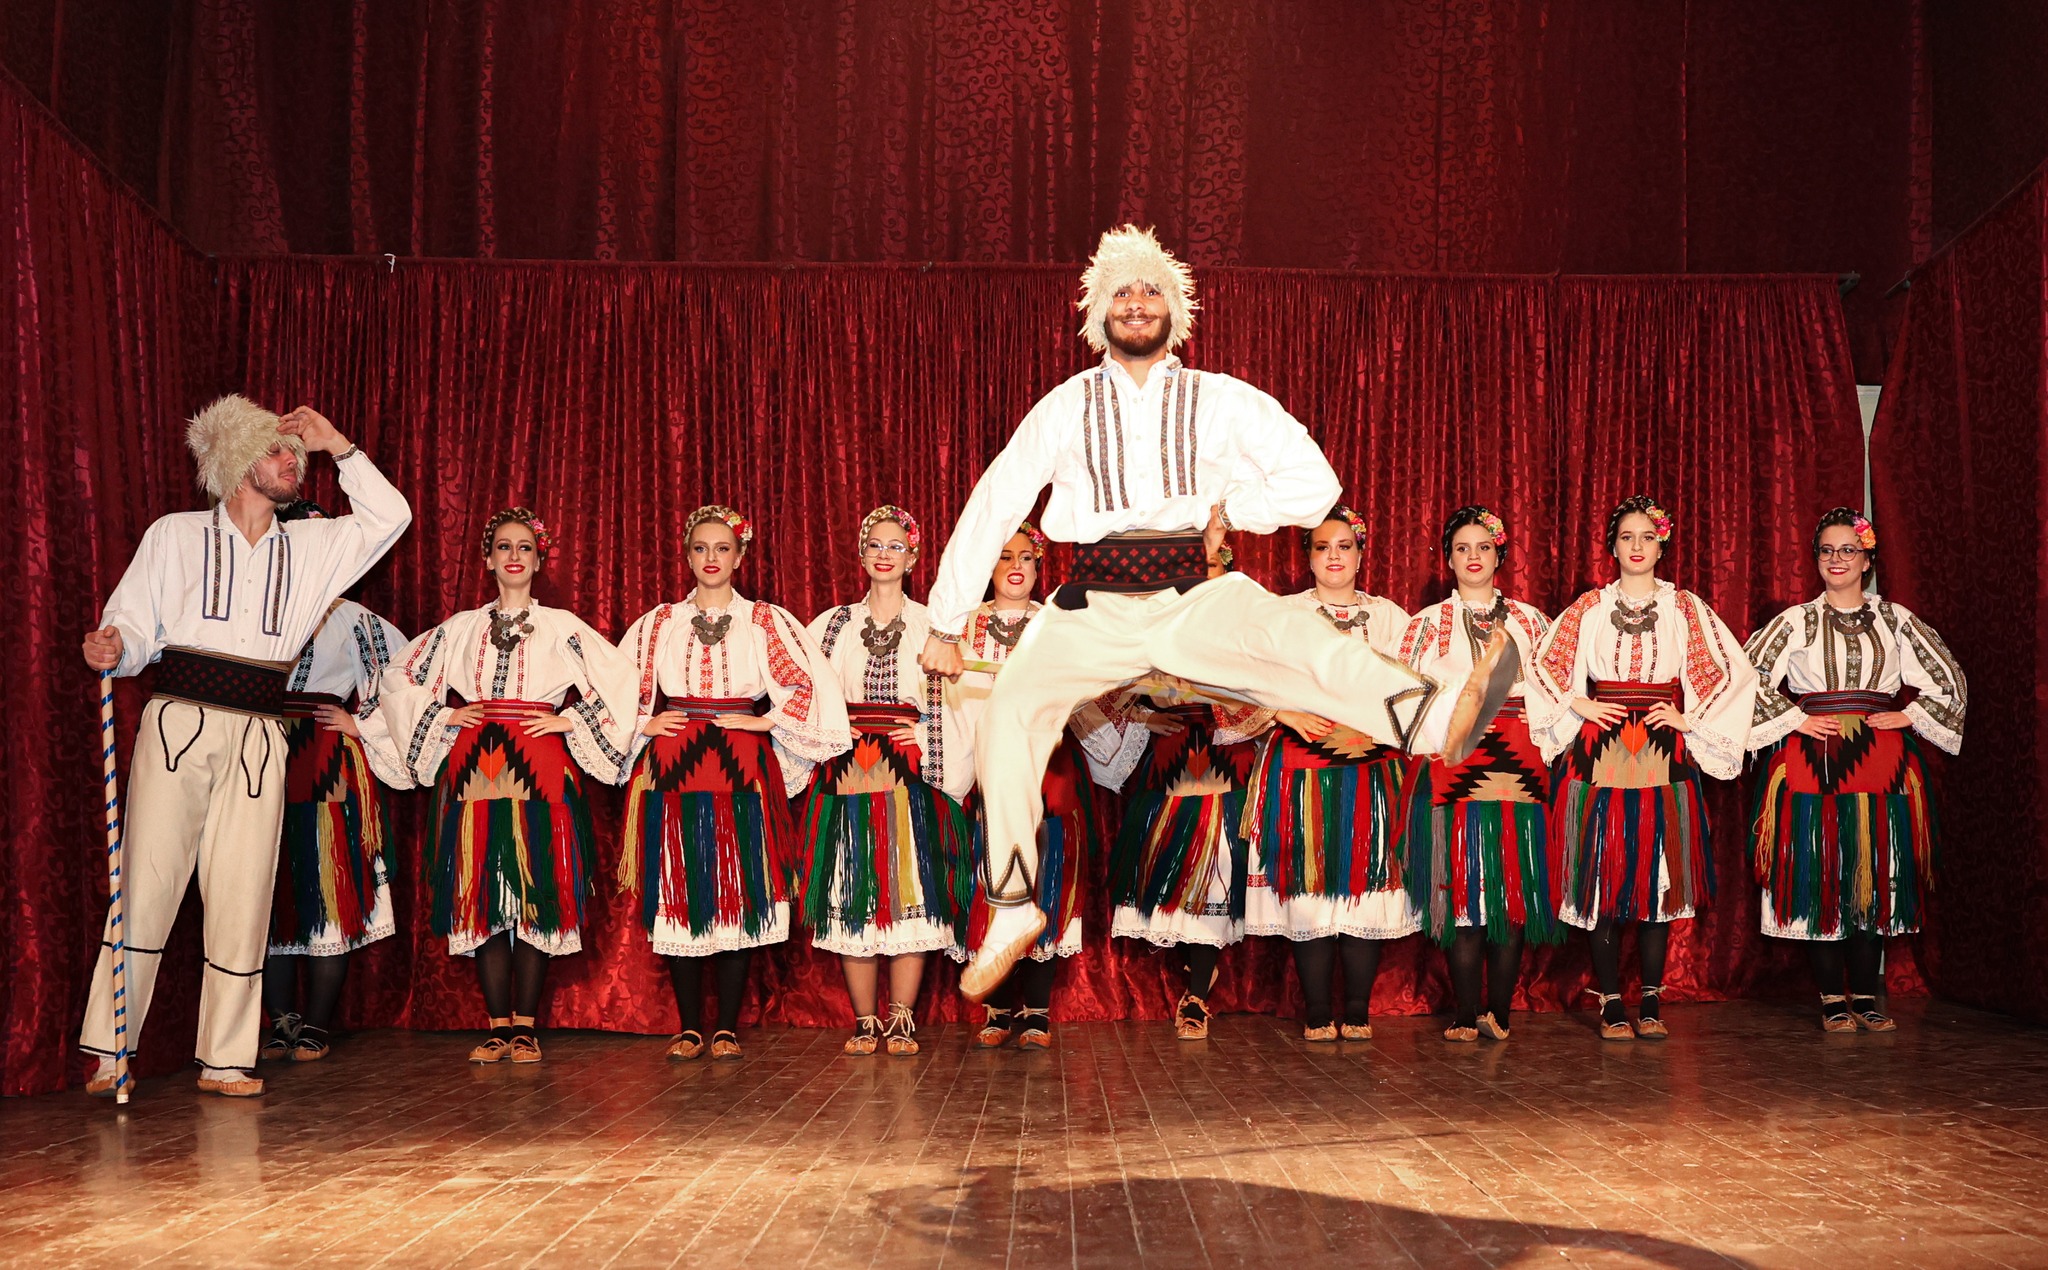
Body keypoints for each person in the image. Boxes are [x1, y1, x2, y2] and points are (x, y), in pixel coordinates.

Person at [917, 225, 1514, 999]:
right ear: (1098, 313)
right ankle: (1011, 907)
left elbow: (1313, 482)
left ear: (1177, 309)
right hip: (1092, 601)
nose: (1136, 303)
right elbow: (997, 497)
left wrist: (1235, 509)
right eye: (1121, 293)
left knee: (1298, 641)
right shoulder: (1065, 406)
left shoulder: (1218, 398)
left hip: (1193, 592)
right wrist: (945, 619)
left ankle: (1434, 720)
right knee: (1011, 708)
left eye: (1151, 290)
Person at [80, 397, 410, 1097]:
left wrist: (337, 444)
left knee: (244, 893)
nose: (293, 462)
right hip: (179, 724)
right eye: (276, 451)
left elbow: (391, 517)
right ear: (233, 460)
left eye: (295, 453)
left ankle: (227, 1059)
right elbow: (132, 625)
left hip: (261, 731)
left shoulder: (314, 548)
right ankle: (111, 1050)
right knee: (148, 882)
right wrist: (114, 646)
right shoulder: (173, 536)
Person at [371, 508, 639, 1064]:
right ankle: (497, 1026)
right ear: (488, 559)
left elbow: (620, 680)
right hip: (473, 766)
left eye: (524, 548)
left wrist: (571, 720)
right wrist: (442, 715)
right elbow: (397, 674)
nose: (514, 556)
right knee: (484, 895)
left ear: (538, 561)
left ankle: (526, 1028)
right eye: (503, 547)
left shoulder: (562, 626)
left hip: (540, 766)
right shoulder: (460, 627)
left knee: (535, 893)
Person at [617, 506, 850, 1061]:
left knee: (737, 889)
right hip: (675, 763)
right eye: (701, 548)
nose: (711, 558)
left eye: (722, 548)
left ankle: (725, 1027)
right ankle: (689, 1026)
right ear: (687, 555)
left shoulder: (764, 620)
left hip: (741, 764)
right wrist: (644, 722)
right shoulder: (659, 623)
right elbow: (620, 684)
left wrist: (767, 720)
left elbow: (808, 684)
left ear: (740, 556)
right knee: (679, 887)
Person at [1526, 495, 1757, 1040]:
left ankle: (1650, 1000)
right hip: (1600, 750)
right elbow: (1540, 663)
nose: (1636, 546)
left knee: (1658, 878)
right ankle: (1611, 1001)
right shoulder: (1590, 606)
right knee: (1602, 875)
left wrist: (1688, 718)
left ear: (1661, 545)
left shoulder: (1684, 607)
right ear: (1612, 546)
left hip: (1661, 749)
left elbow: (1731, 670)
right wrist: (1577, 702)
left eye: (1647, 537)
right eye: (1626, 537)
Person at [1744, 508, 1965, 1032]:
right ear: (1816, 558)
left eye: (1848, 550)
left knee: (1874, 872)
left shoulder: (1895, 619)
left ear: (1867, 560)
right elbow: (1744, 677)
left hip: (1880, 760)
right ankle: (1830, 999)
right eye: (1827, 550)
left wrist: (1909, 715)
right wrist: (1795, 719)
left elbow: (1948, 678)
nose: (1836, 559)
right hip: (1812, 759)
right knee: (1820, 873)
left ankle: (1865, 996)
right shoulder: (1796, 621)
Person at [801, 507, 974, 1056]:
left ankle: (902, 1018)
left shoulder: (932, 626)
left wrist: (922, 734)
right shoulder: (832, 625)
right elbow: (801, 689)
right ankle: (864, 1020)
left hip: (909, 770)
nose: (884, 554)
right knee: (849, 887)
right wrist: (835, 726)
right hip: (848, 770)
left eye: (896, 546)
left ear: (913, 558)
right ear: (861, 553)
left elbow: (960, 697)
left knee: (909, 887)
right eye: (875, 544)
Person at [1241, 505, 1416, 1041]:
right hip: (1301, 769)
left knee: (1367, 882)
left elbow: (1417, 687)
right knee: (1309, 886)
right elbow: (1235, 674)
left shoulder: (1390, 618)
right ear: (1309, 557)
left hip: (1372, 770)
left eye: (1344, 546)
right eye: (1323, 547)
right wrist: (1281, 712)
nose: (1334, 556)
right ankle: (1318, 1011)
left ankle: (1357, 1010)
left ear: (1361, 556)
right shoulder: (1283, 614)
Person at [1398, 506, 1559, 1042]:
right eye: (1462, 548)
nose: (1473, 557)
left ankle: (1500, 1013)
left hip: (1519, 760)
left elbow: (1558, 690)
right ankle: (1466, 1012)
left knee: (1512, 888)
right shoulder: (1426, 625)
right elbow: (1404, 693)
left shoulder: (1532, 622)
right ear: (1448, 559)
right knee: (1463, 887)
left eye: (1484, 547)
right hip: (1456, 761)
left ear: (1499, 555)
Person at [260, 500, 410, 1064]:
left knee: (329, 885)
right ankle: (281, 1021)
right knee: (268, 888)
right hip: (263, 752)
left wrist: (361, 723)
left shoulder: (356, 619)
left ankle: (317, 1023)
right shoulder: (260, 607)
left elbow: (406, 683)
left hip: (325, 758)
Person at [958, 525, 1103, 1050]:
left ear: (1039, 568)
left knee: (1049, 879)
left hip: (1049, 767)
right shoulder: (964, 626)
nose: (1016, 566)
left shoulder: (1056, 624)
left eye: (1026, 558)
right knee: (994, 876)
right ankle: (997, 1007)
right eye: (1004, 557)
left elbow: (1089, 691)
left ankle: (1037, 1009)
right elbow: (944, 696)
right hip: (991, 763)